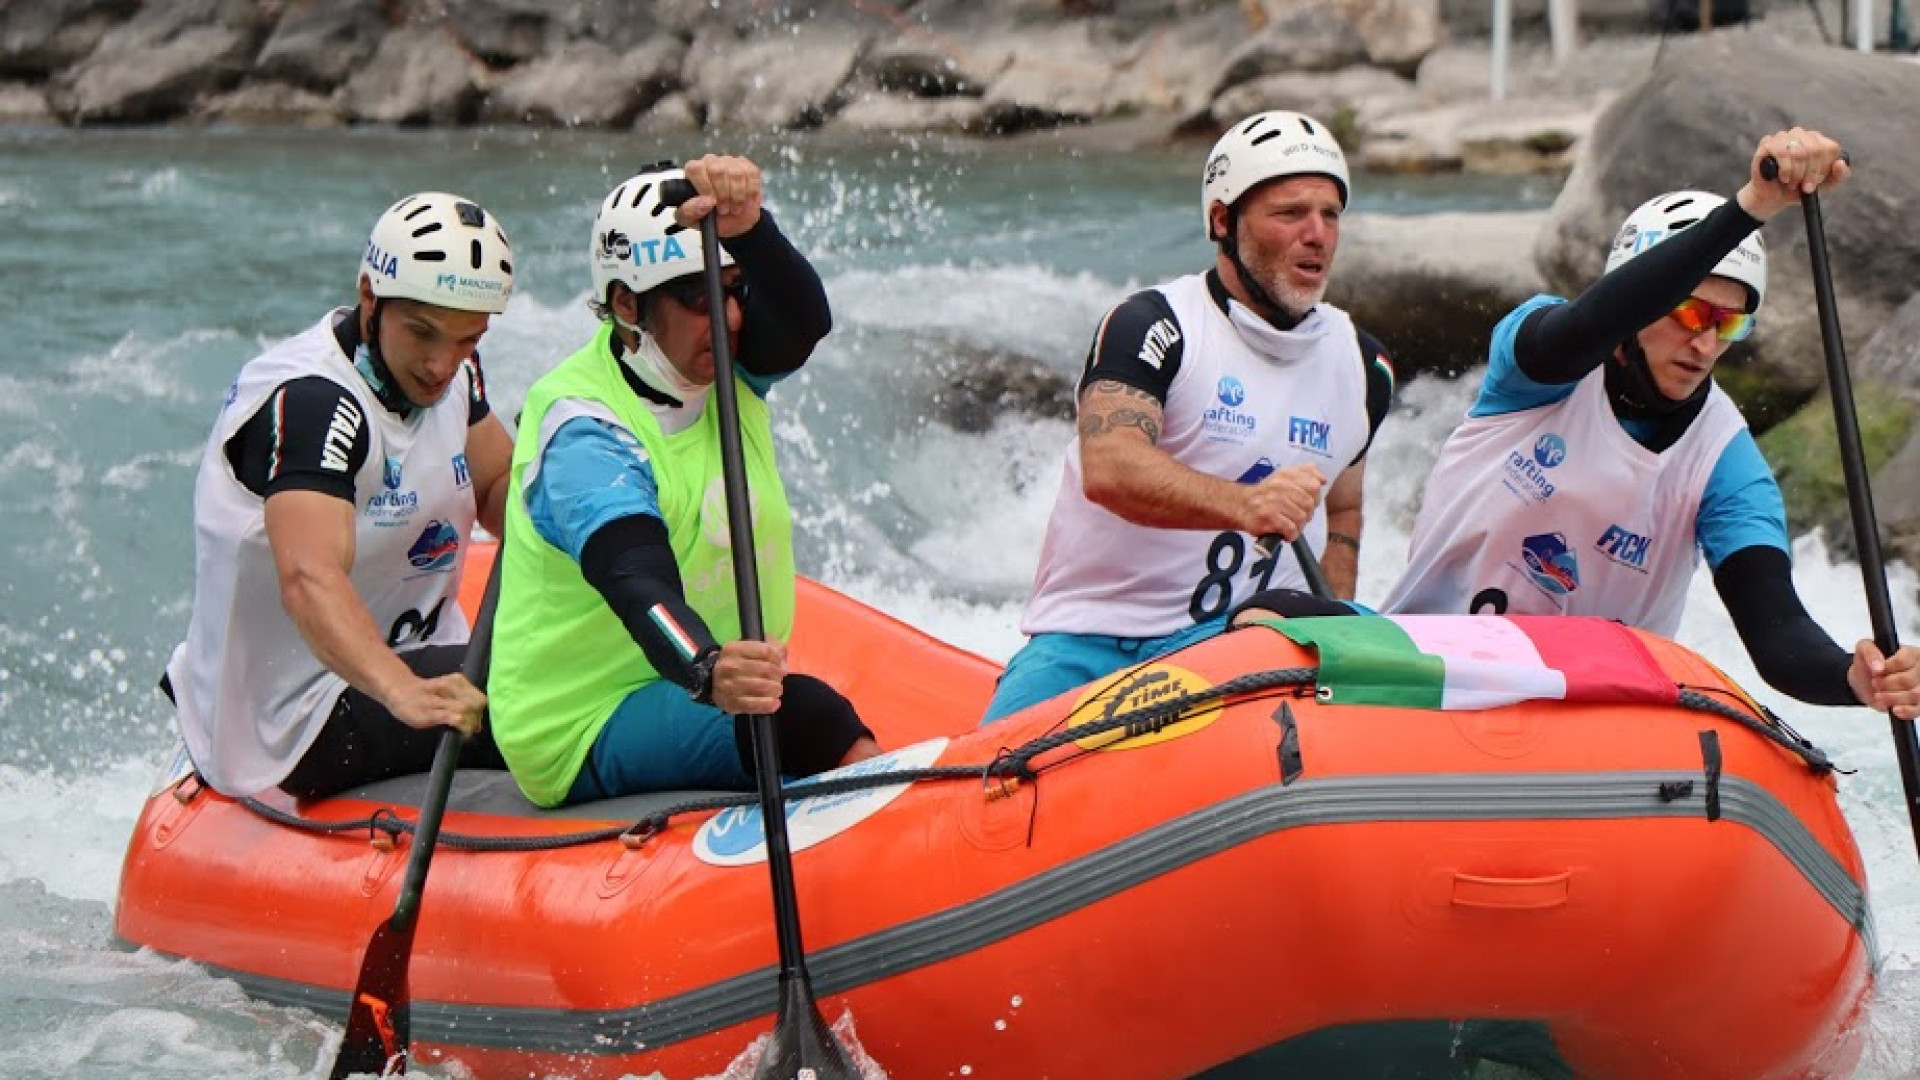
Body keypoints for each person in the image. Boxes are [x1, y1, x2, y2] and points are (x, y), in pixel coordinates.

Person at [1372, 127, 1920, 718]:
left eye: (1730, 325)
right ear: (1636, 301)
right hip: (1432, 672)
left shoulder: (1727, 460)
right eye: (1690, 312)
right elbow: (1590, 323)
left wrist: (1854, 678)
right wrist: (1751, 209)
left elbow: (1777, 630)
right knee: (1277, 610)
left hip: (1590, 716)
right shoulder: (1537, 362)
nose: (1706, 343)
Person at [978, 110, 1396, 725]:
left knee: (1354, 628)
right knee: (993, 778)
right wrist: (1246, 505)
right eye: (1290, 214)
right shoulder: (1154, 325)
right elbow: (1110, 466)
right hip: (1095, 640)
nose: (1318, 235)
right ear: (1223, 221)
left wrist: (1330, 621)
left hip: (1238, 642)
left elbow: (1346, 508)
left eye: (1330, 215)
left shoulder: (1365, 367)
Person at [489, 156, 881, 808]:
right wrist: (705, 668)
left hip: (689, 688)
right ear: (626, 304)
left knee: (788, 714)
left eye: (734, 289)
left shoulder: (729, 368)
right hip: (584, 717)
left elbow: (804, 322)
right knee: (809, 717)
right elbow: (633, 577)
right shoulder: (584, 426)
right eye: (698, 296)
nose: (727, 317)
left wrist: (752, 229)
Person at [167, 192, 517, 799]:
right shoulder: (315, 403)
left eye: (467, 339)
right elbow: (308, 577)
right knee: (553, 691)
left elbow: (495, 487)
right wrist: (398, 688)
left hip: (412, 661)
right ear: (370, 296)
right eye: (423, 333)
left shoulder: (457, 369)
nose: (441, 364)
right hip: (302, 711)